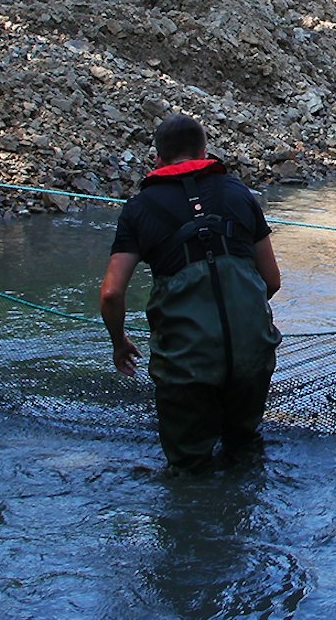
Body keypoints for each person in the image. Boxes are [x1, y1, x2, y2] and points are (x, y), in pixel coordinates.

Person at [100, 114, 283, 471]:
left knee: (189, 469)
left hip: (187, 362)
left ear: (157, 159)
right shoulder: (239, 193)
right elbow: (272, 281)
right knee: (245, 451)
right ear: (204, 152)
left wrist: (119, 342)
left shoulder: (139, 208)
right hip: (252, 355)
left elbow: (110, 293)